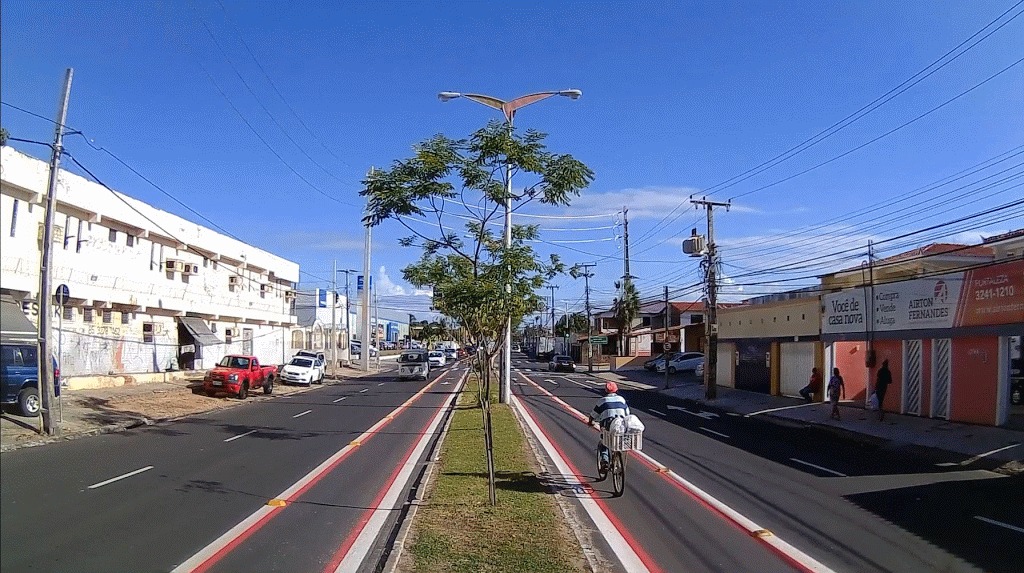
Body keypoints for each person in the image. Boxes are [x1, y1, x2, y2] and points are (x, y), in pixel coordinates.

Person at [588, 382, 630, 466]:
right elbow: (627, 413)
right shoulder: (621, 399)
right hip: (621, 425)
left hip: (608, 425)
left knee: (604, 441)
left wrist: (590, 421)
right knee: (619, 439)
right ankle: (618, 453)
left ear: (605, 391)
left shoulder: (603, 401)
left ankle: (605, 460)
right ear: (616, 390)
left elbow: (594, 414)